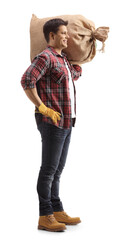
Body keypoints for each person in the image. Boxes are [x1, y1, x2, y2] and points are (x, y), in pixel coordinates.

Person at [21, 18, 82, 232]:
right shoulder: (46, 57)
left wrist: (89, 44)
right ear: (52, 36)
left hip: (67, 121)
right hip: (51, 121)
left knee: (57, 170)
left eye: (68, 33)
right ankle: (44, 215)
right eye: (64, 33)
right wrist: (42, 107)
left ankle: (56, 210)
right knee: (48, 170)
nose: (67, 36)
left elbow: (73, 75)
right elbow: (27, 80)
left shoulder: (63, 58)